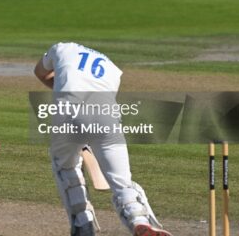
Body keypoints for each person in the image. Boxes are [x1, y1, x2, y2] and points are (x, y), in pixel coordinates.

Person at [34, 42, 173, 236]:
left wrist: (60, 89)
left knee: (66, 167)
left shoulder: (62, 47)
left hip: (68, 111)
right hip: (106, 116)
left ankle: (83, 223)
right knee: (122, 182)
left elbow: (40, 72)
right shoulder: (112, 68)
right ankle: (138, 218)